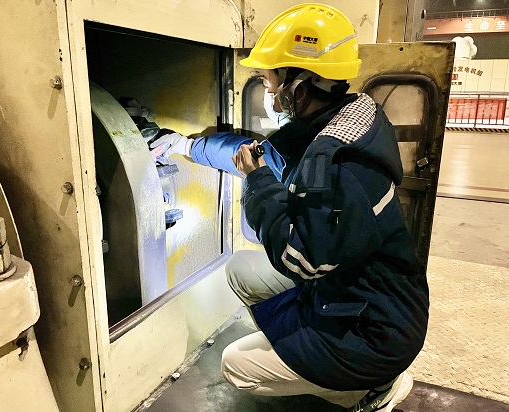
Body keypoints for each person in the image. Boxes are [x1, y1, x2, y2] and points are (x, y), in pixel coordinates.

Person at [150, 4, 428, 411]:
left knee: (236, 366)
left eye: (269, 80)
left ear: (299, 86)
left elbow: (300, 259)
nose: (268, 92)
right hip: (348, 287)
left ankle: (373, 388)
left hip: (375, 327)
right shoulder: (341, 122)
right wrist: (184, 145)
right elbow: (256, 154)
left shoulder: (337, 166)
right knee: (241, 270)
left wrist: (258, 182)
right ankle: (305, 353)